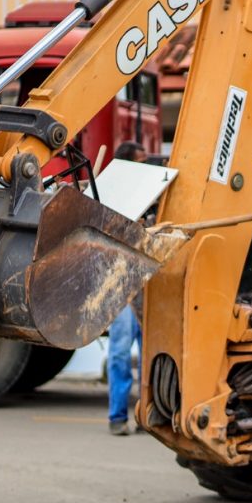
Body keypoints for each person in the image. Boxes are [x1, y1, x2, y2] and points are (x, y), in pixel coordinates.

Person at [107, 140, 147, 435]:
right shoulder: (112, 194)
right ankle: (118, 416)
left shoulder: (152, 192)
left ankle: (148, 414)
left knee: (150, 353)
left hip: (146, 282)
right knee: (121, 352)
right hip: (122, 285)